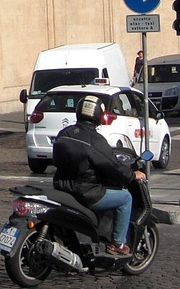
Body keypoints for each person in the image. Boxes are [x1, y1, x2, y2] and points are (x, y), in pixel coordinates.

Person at [52, 94, 145, 256]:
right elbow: (112, 167)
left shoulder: (64, 133)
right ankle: (117, 244)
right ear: (97, 116)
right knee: (125, 198)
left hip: (62, 187)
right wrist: (131, 175)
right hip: (87, 192)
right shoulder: (96, 140)